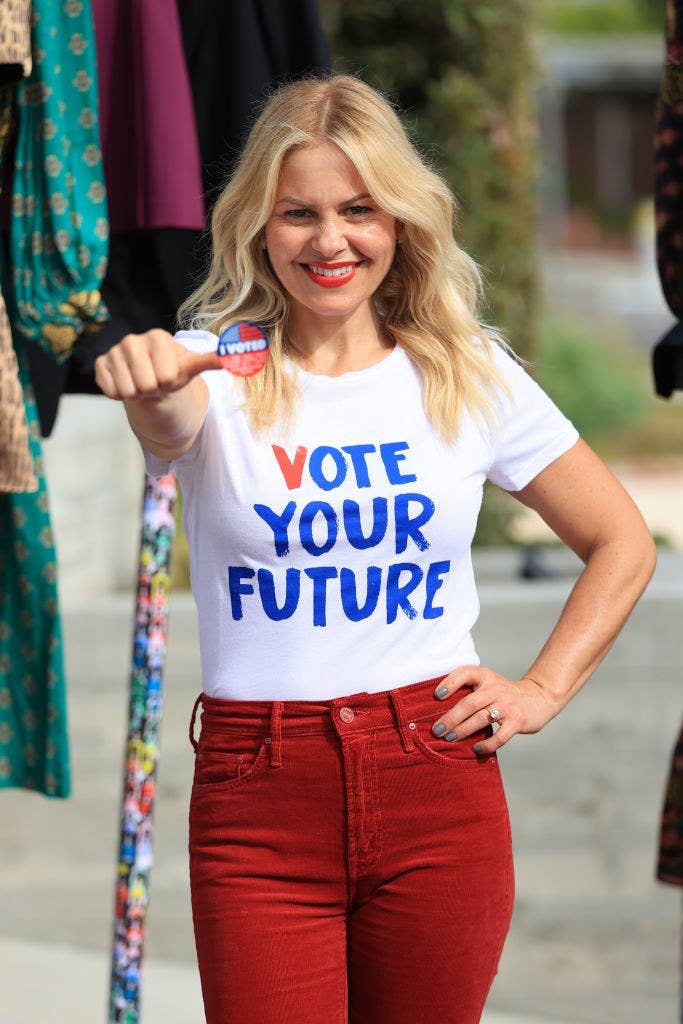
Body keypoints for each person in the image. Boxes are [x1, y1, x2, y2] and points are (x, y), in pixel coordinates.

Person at [95, 75, 657, 1024]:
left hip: (433, 774)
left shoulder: (464, 370)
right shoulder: (213, 367)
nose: (330, 241)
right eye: (298, 214)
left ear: (400, 221)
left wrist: (540, 690)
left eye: (359, 209)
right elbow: (167, 418)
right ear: (259, 229)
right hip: (258, 795)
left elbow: (620, 540)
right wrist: (145, 377)